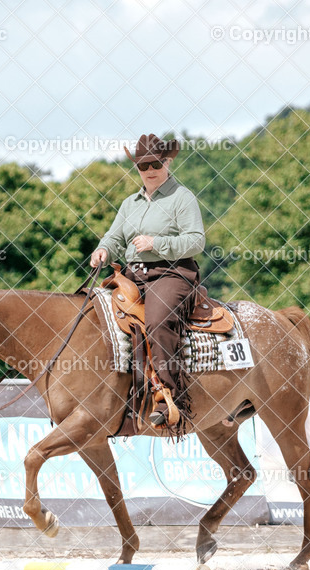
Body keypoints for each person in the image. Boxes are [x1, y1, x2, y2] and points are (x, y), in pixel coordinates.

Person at [90, 133, 205, 426]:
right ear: (137, 169)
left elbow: (196, 241)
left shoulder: (182, 197)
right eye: (143, 166)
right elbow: (115, 236)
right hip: (133, 275)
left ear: (166, 162)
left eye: (155, 164)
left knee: (157, 320)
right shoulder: (130, 203)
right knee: (92, 312)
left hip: (172, 273)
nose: (150, 170)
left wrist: (157, 243)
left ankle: (169, 398)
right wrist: (103, 249)